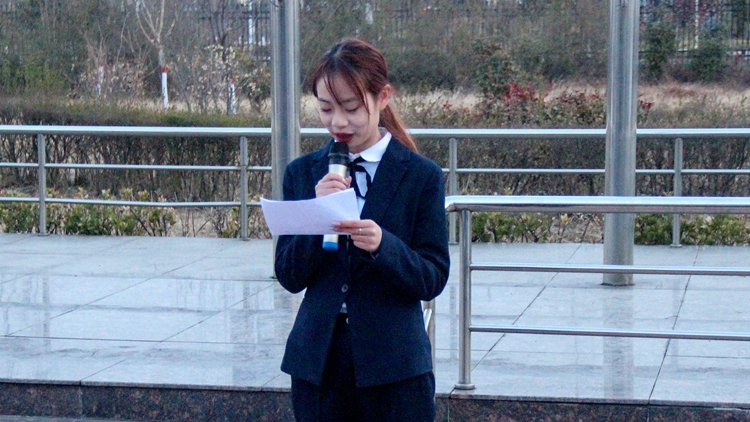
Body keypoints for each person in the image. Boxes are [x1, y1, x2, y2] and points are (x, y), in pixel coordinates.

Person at [274, 38, 449, 422]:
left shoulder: (421, 176)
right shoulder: (303, 173)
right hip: (319, 362)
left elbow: (433, 276)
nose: (338, 122)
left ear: (382, 97)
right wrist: (317, 215)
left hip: (395, 365)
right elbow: (288, 275)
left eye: (351, 108)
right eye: (326, 108)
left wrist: (384, 245)